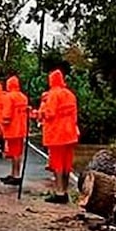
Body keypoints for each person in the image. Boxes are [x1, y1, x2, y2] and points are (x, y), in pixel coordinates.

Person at [40, 70, 79, 204]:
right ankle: (66, 191)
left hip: (57, 133)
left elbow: (49, 113)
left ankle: (59, 192)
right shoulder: (70, 95)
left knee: (57, 163)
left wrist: (41, 110)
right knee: (67, 163)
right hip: (70, 132)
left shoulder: (53, 95)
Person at [0, 76, 28, 185]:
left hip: (12, 129)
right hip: (21, 128)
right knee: (18, 153)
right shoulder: (23, 97)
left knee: (14, 153)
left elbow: (7, 114)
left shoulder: (9, 97)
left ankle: (16, 175)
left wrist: (2, 124)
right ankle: (14, 174)